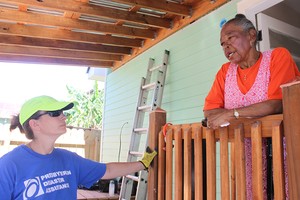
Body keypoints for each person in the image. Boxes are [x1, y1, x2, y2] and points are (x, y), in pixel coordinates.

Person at [203, 14, 300, 199]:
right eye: (222, 44)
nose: (226, 46)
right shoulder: (225, 72)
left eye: (230, 38)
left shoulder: (277, 57)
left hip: (286, 151)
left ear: (251, 35)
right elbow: (210, 112)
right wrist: (240, 113)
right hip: (247, 156)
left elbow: (275, 104)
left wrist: (231, 114)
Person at [0, 95, 157, 200]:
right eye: (55, 113)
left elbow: (107, 170)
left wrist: (143, 163)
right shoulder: (9, 165)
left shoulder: (68, 159)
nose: (63, 116)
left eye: (62, 112)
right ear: (35, 124)